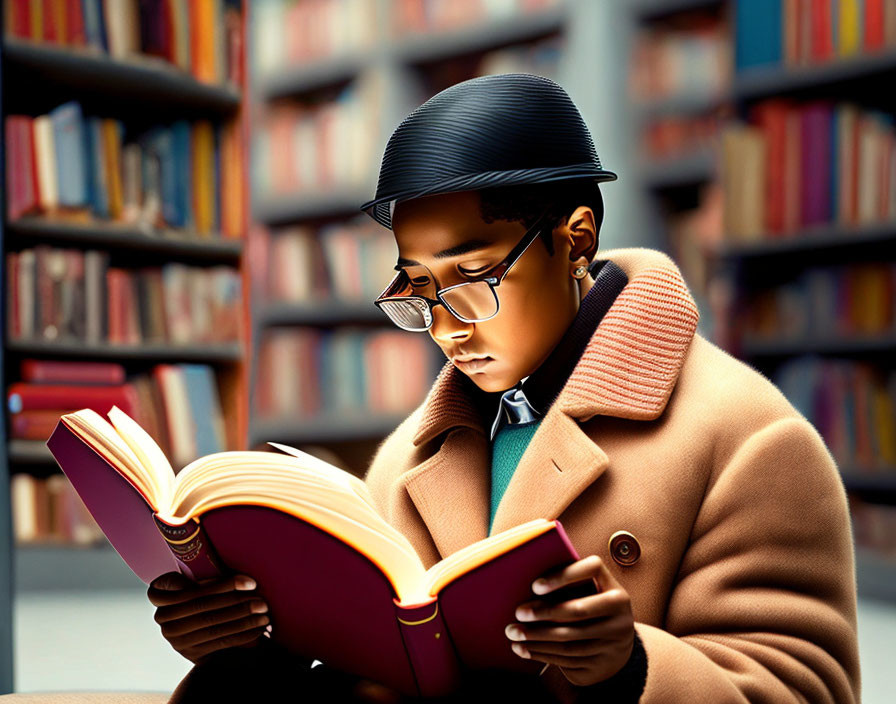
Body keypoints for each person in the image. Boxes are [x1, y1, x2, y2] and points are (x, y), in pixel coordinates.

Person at [149, 73, 862, 703]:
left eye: (475, 280)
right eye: (420, 289)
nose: (446, 329)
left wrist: (629, 669)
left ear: (576, 240)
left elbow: (802, 685)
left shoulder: (751, 441)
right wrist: (246, 649)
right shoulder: (410, 455)